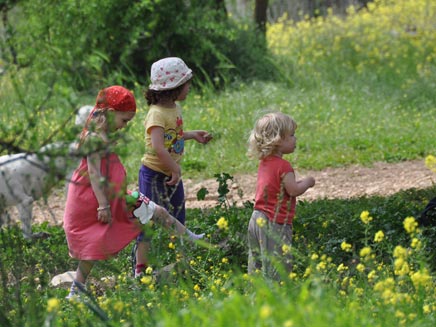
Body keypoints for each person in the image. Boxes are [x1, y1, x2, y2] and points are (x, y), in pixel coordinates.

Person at [63, 85, 203, 299]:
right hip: (99, 201)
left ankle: (189, 240)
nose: (124, 126)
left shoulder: (103, 136)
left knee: (156, 213)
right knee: (92, 249)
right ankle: (76, 290)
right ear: (110, 114)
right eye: (124, 120)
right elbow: (93, 173)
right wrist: (103, 205)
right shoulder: (93, 139)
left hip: (119, 196)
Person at [133, 57, 212, 277]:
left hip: (170, 172)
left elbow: (172, 136)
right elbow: (159, 148)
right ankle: (140, 268)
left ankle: (182, 260)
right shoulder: (156, 113)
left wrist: (192, 135)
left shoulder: (173, 108)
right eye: (186, 83)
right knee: (147, 219)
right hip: (153, 174)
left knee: (178, 215)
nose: (189, 87)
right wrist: (175, 169)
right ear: (173, 87)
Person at [247, 112, 315, 281]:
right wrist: (307, 182)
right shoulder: (284, 166)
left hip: (256, 218)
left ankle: (254, 296)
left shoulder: (264, 162)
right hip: (274, 221)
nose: (295, 139)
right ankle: (276, 298)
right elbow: (293, 190)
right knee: (277, 266)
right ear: (278, 140)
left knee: (256, 263)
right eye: (291, 135)